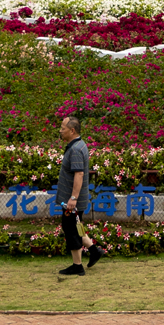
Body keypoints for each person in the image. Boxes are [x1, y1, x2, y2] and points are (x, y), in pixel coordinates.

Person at [55, 114, 105, 277]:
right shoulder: (79, 145)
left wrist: (73, 199)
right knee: (76, 226)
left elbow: (79, 175)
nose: (60, 131)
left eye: (63, 129)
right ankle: (93, 250)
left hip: (72, 200)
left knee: (71, 229)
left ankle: (77, 266)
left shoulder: (76, 149)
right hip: (74, 199)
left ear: (72, 130)